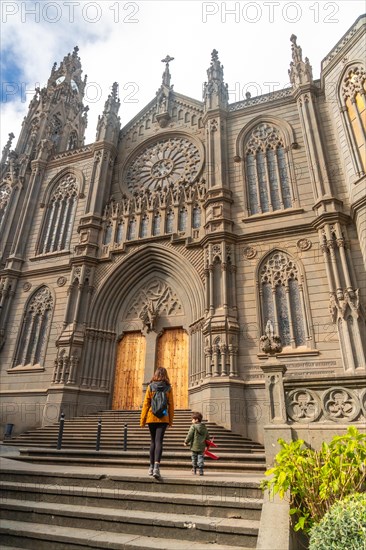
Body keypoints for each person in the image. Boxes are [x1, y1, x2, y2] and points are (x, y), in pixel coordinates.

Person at [140, 367, 174, 479]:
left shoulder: (150, 386)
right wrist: (170, 420)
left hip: (151, 417)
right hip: (163, 417)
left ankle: (150, 467)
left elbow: (146, 404)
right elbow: (171, 405)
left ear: (156, 374)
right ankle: (156, 468)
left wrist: (142, 420)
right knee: (159, 441)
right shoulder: (168, 388)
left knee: (153, 441)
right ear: (165, 375)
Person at [184, 411, 209, 476]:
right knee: (201, 458)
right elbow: (207, 436)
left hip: (194, 446)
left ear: (196, 420)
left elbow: (190, 435)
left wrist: (186, 442)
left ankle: (194, 469)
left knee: (194, 458)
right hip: (202, 446)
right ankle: (201, 470)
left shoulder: (193, 426)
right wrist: (207, 444)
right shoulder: (204, 427)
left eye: (192, 419)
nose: (191, 420)